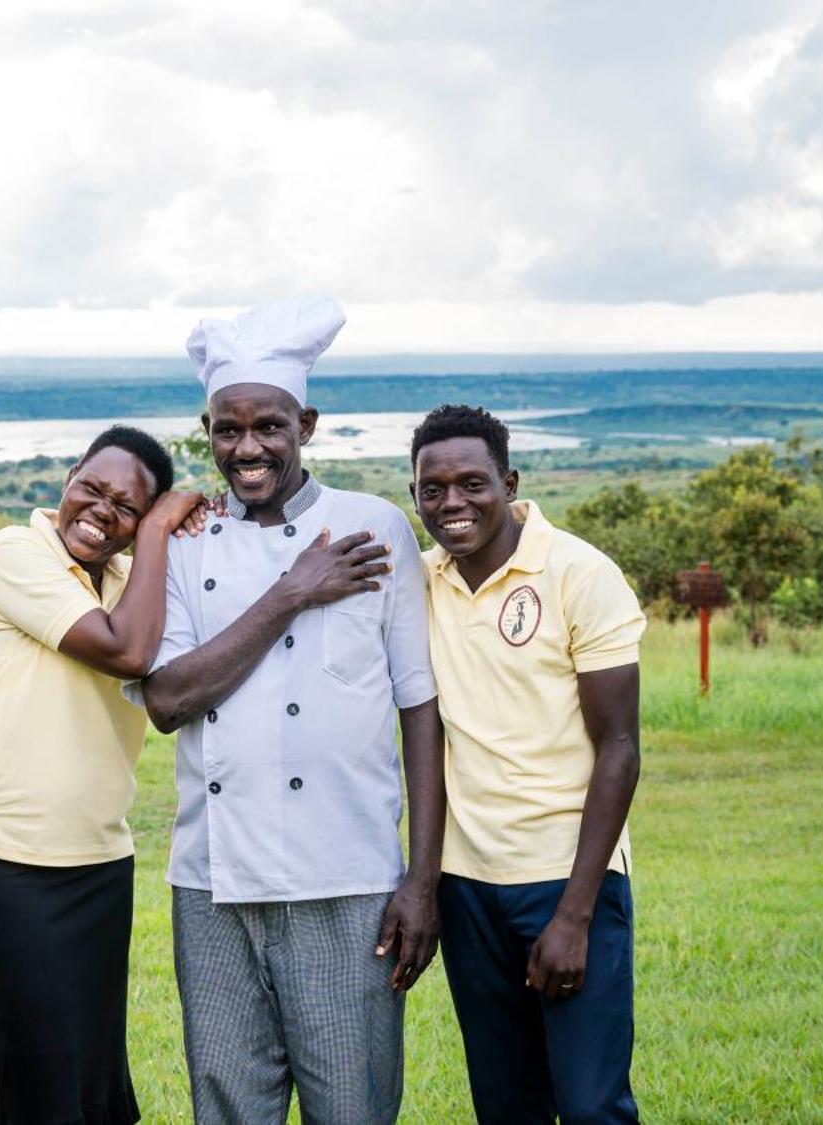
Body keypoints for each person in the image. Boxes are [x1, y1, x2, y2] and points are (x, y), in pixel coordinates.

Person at [131, 298, 446, 1125]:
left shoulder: (374, 528)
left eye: (267, 426)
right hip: (213, 881)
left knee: (354, 1105)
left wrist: (422, 877)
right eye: (225, 430)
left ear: (305, 422)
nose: (247, 448)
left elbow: (420, 709)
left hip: (350, 875)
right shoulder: (187, 541)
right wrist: (295, 591)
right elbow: (168, 699)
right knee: (231, 1106)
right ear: (207, 431)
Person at [0, 425, 203, 1125]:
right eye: (92, 487)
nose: (100, 510)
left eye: (127, 505)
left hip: (100, 857)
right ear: (67, 478)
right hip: (10, 859)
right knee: (41, 1084)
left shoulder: (127, 579)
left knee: (96, 1078)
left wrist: (148, 549)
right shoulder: (16, 552)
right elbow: (126, 651)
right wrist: (154, 532)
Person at [409, 405, 645, 1124]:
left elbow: (620, 747)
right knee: (506, 1105)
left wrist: (575, 913)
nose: (453, 503)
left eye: (473, 483)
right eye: (433, 488)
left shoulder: (580, 572)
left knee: (590, 1102)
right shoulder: (417, 583)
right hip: (466, 885)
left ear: (509, 481)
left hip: (568, 880)